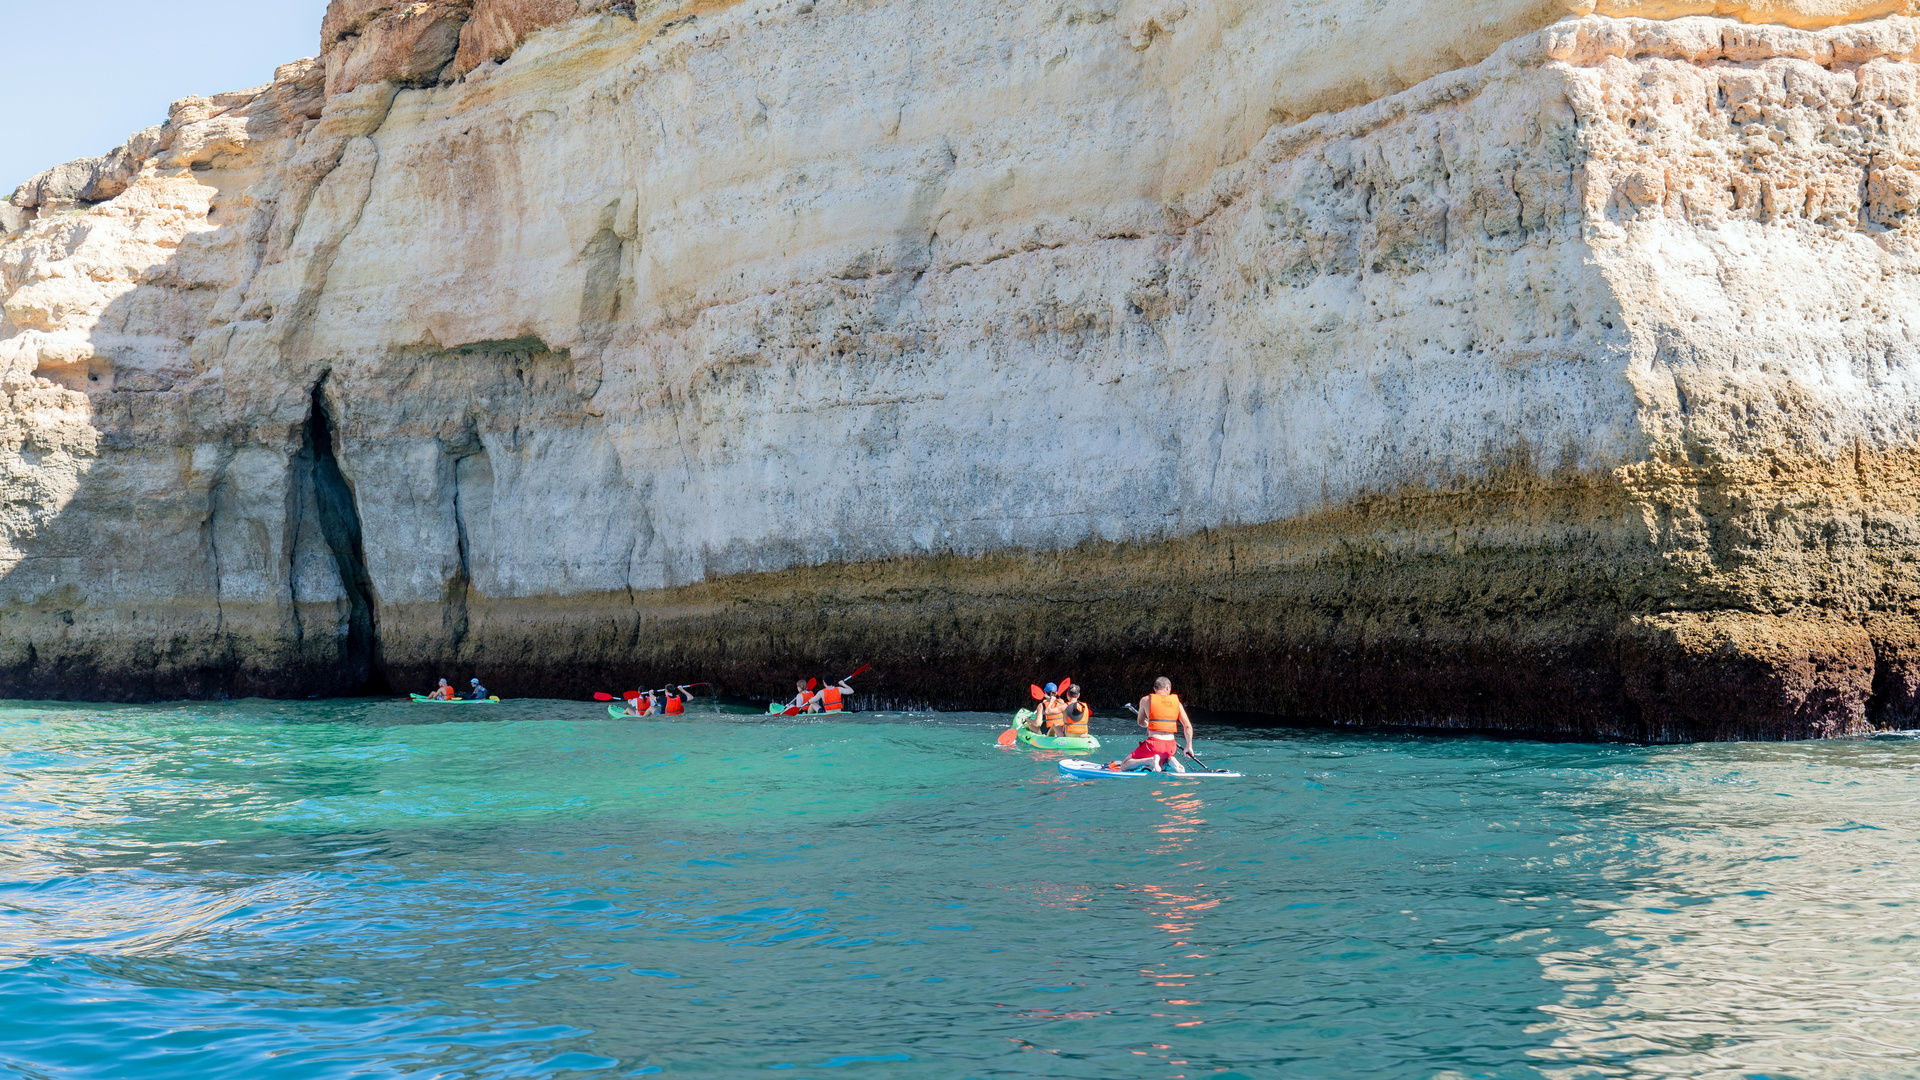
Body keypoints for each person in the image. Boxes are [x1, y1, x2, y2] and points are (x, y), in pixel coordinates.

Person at [1109, 676, 1193, 772]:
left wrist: (1149, 725)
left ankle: (1150, 760)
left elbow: (1140, 722)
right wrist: (1188, 746)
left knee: (1124, 765)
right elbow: (1187, 726)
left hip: (1154, 745)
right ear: (1167, 687)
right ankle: (1169, 760)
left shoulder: (1145, 700)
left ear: (1155, 689)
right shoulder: (1177, 703)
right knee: (1162, 761)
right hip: (1171, 746)